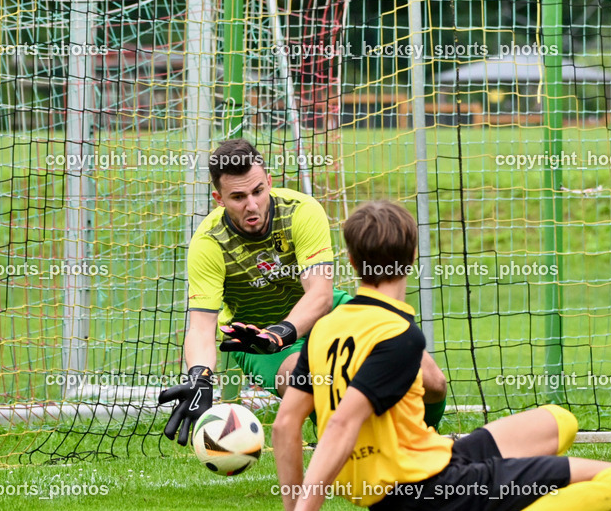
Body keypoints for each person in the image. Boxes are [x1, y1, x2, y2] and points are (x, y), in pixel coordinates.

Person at [255, 200, 611, 511]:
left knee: (558, 420)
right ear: (413, 257)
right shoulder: (398, 336)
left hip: (426, 474)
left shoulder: (325, 328)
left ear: (352, 262)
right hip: (432, 500)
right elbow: (341, 424)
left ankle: (514, 508)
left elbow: (285, 425)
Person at [158, 140, 448, 445]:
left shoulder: (301, 211)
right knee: (312, 381)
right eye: (238, 197)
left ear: (269, 181)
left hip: (322, 314)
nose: (252, 205)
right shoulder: (208, 242)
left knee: (432, 380)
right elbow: (202, 328)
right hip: (257, 339)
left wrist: (281, 333)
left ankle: (423, 441)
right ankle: (344, 441)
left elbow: (320, 295)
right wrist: (200, 376)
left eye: (258, 191)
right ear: (219, 199)